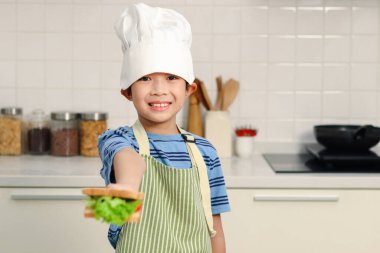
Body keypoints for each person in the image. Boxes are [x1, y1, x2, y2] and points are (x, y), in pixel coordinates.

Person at [98, 3, 231, 253]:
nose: (159, 89)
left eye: (171, 77)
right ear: (128, 91)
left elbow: (215, 229)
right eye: (145, 78)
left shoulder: (206, 152)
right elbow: (128, 159)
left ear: (189, 89)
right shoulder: (120, 140)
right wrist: (126, 186)